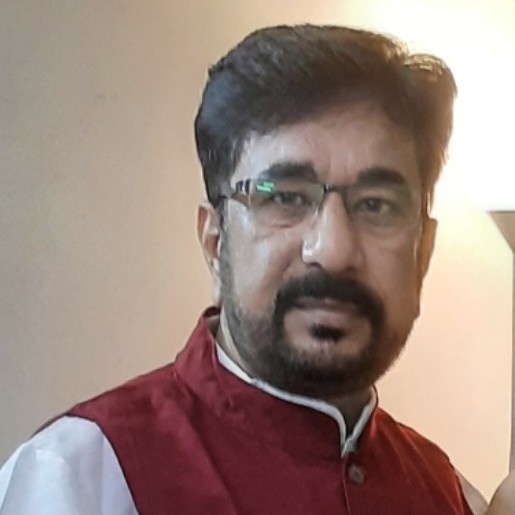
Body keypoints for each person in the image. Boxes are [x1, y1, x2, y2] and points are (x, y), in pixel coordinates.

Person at [0, 23, 512, 515]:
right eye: (285, 197)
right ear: (215, 242)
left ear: (423, 254)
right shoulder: (83, 480)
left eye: (376, 205)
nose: (333, 250)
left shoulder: (446, 492)